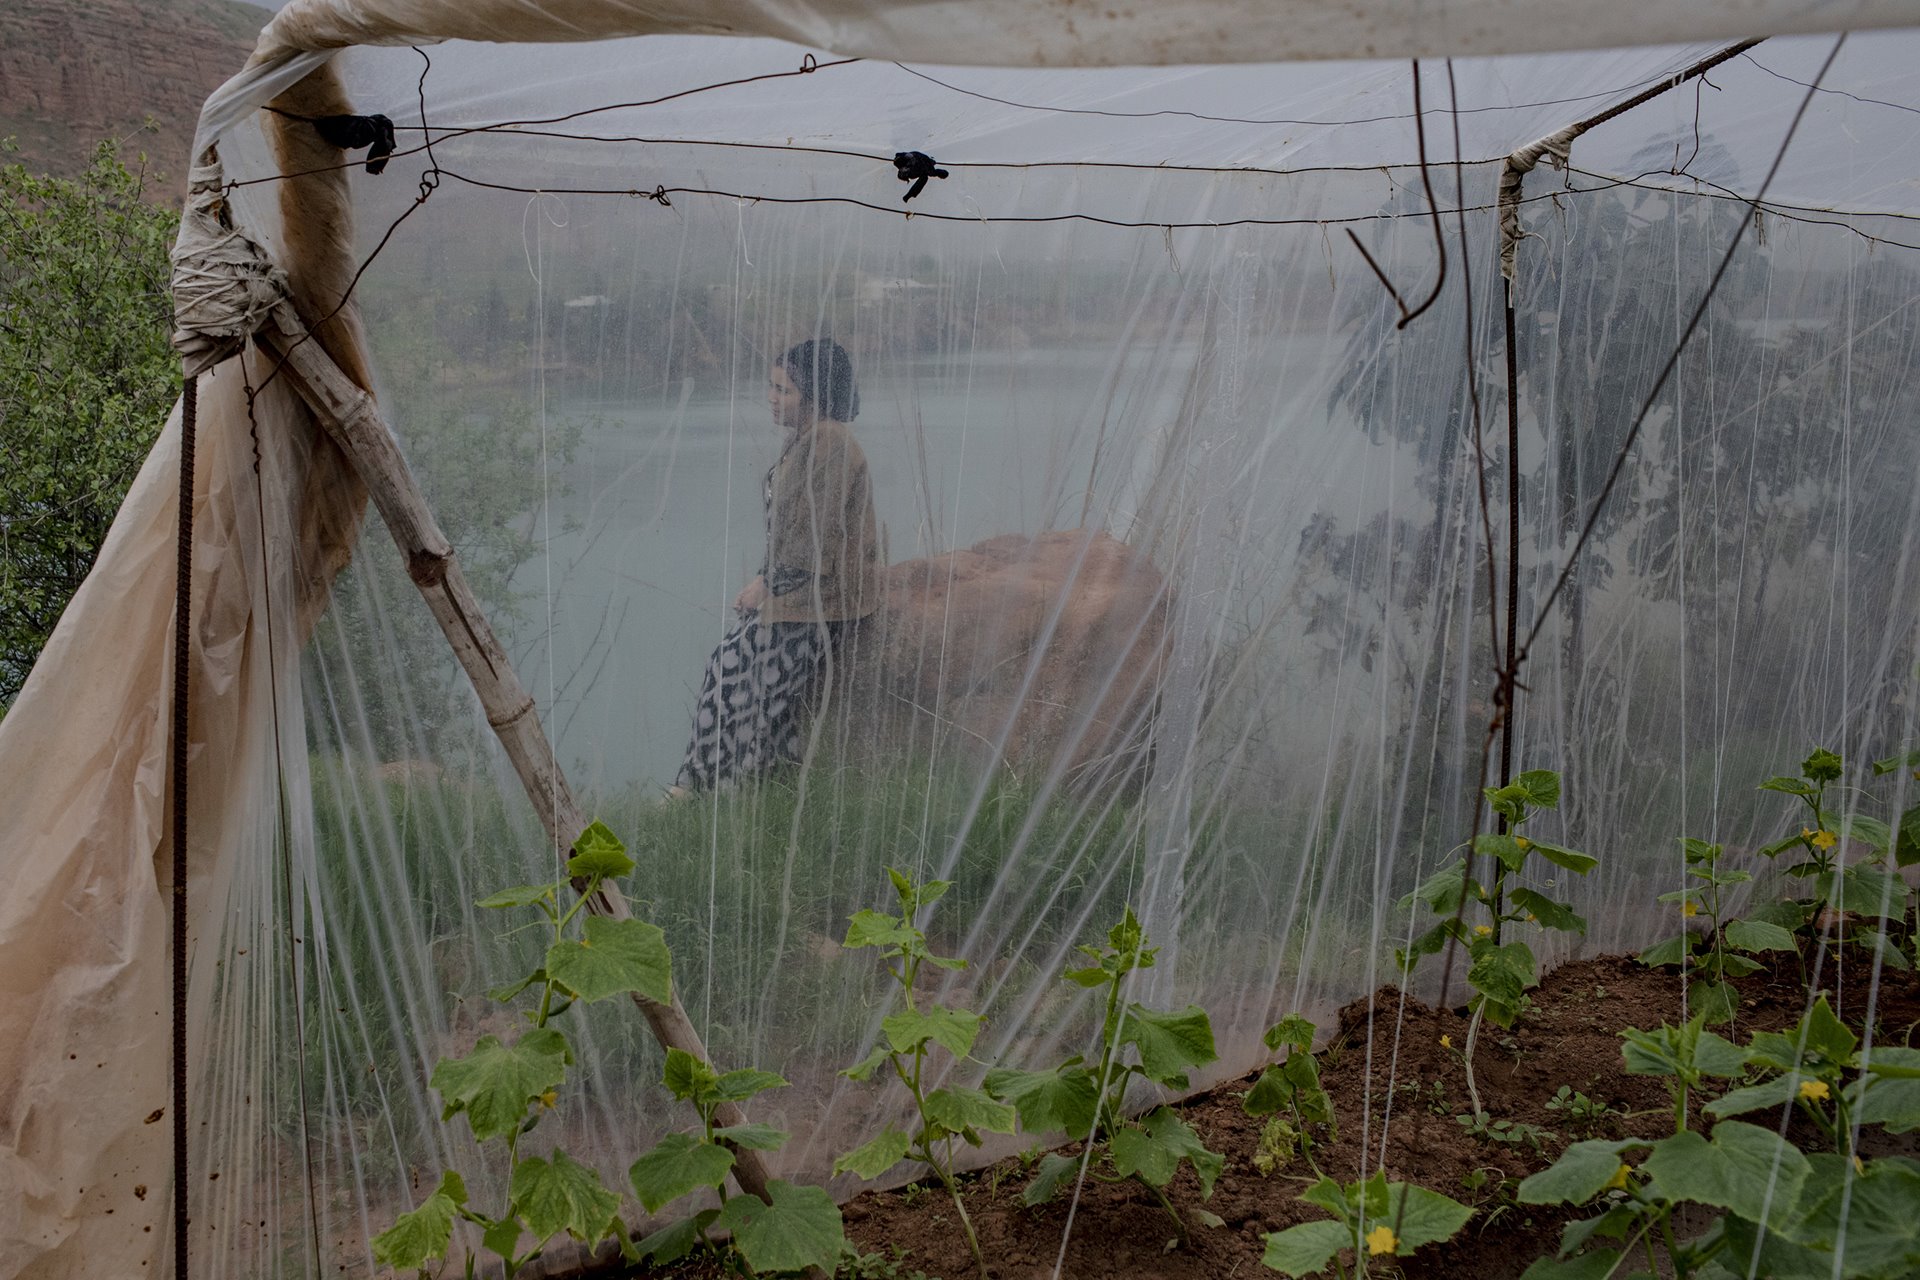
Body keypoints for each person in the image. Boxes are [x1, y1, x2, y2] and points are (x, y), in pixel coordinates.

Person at [671, 338, 882, 793]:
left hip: (827, 598)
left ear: (813, 395)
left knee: (730, 666)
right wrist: (764, 580)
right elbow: (789, 528)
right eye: (771, 387)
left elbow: (813, 539)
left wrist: (768, 585)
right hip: (804, 590)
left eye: (783, 390)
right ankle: (772, 781)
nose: (771, 398)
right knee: (747, 674)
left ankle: (693, 789)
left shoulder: (829, 443)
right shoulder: (808, 439)